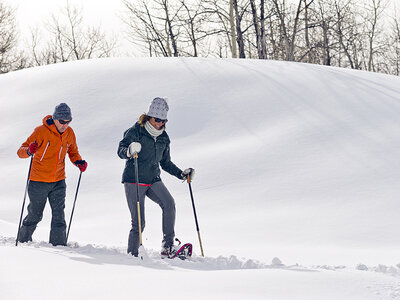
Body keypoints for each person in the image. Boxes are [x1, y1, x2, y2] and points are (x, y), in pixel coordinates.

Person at [117, 97, 194, 257]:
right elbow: (121, 150)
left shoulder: (164, 137)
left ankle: (168, 247)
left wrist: (181, 173)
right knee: (139, 222)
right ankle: (134, 253)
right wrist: (129, 151)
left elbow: (165, 162)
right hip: (134, 179)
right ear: (149, 117)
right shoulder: (136, 131)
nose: (160, 123)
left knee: (169, 204)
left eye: (163, 120)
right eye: (157, 119)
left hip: (153, 179)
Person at [17, 103, 87, 246]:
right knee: (35, 214)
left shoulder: (69, 133)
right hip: (38, 181)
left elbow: (72, 151)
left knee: (59, 215)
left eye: (68, 122)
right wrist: (29, 150)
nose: (65, 125)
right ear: (55, 119)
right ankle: (23, 241)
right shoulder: (41, 131)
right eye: (62, 122)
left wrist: (78, 161)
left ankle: (59, 245)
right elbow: (21, 151)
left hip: (58, 181)